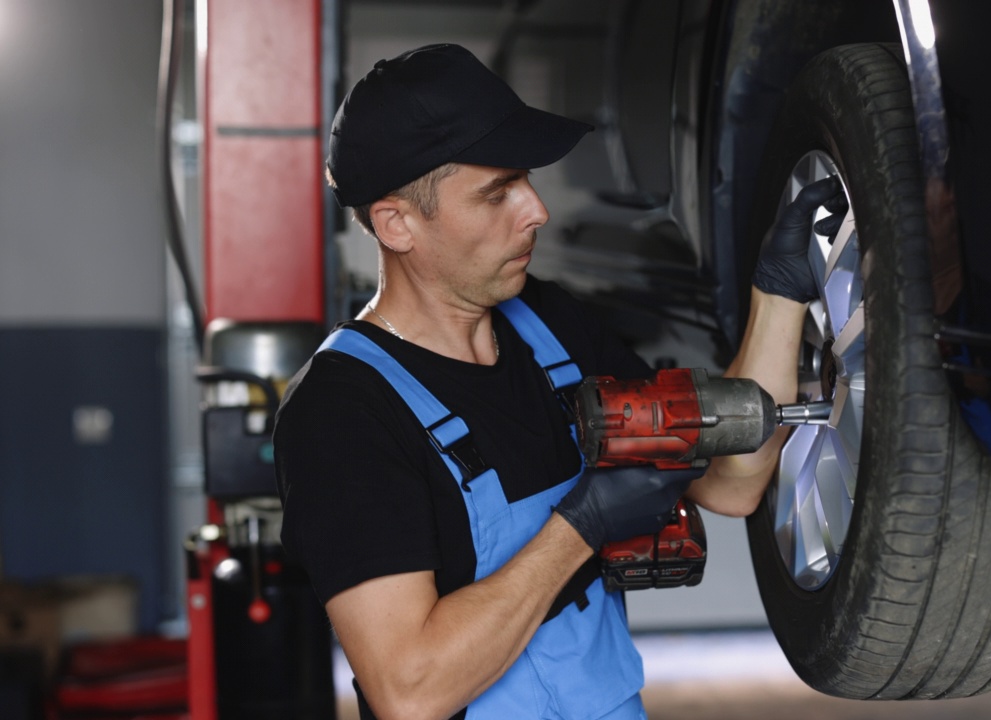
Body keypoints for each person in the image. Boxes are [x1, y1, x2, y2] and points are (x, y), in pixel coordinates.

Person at [273, 43, 846, 720]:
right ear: (397, 222)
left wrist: (776, 299)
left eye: (527, 180)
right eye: (497, 192)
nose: (536, 209)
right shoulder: (341, 413)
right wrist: (582, 525)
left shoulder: (550, 328)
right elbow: (409, 688)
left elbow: (733, 484)